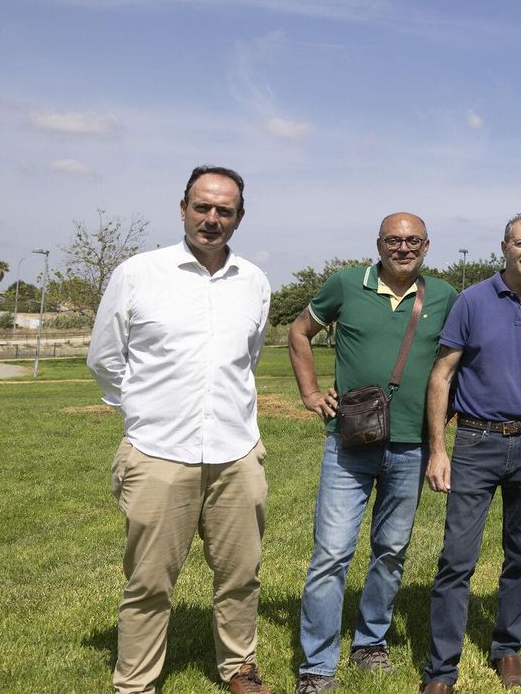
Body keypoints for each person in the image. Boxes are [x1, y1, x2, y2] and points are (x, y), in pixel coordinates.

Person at [87, 166, 273, 694]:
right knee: (149, 582)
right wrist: (145, 411)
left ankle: (239, 668)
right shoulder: (138, 273)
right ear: (183, 207)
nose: (211, 219)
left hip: (237, 453)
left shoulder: (254, 282)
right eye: (202, 207)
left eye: (224, 211)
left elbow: (246, 358)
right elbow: (105, 358)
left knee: (241, 575)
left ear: (238, 217)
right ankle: (136, 683)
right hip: (158, 452)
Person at [288, 213, 458, 694]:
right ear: (378, 244)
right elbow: (299, 333)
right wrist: (309, 393)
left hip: (411, 447)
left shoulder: (444, 295)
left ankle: (370, 642)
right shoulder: (345, 283)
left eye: (412, 241)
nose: (403, 248)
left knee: (390, 551)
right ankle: (318, 666)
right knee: (332, 553)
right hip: (350, 444)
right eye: (393, 240)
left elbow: (460, 359)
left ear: (426, 246)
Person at [419, 213, 521, 694]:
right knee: (457, 558)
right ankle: (442, 669)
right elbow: (442, 375)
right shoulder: (472, 301)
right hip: (475, 443)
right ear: (504, 247)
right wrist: (438, 450)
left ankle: (508, 648)